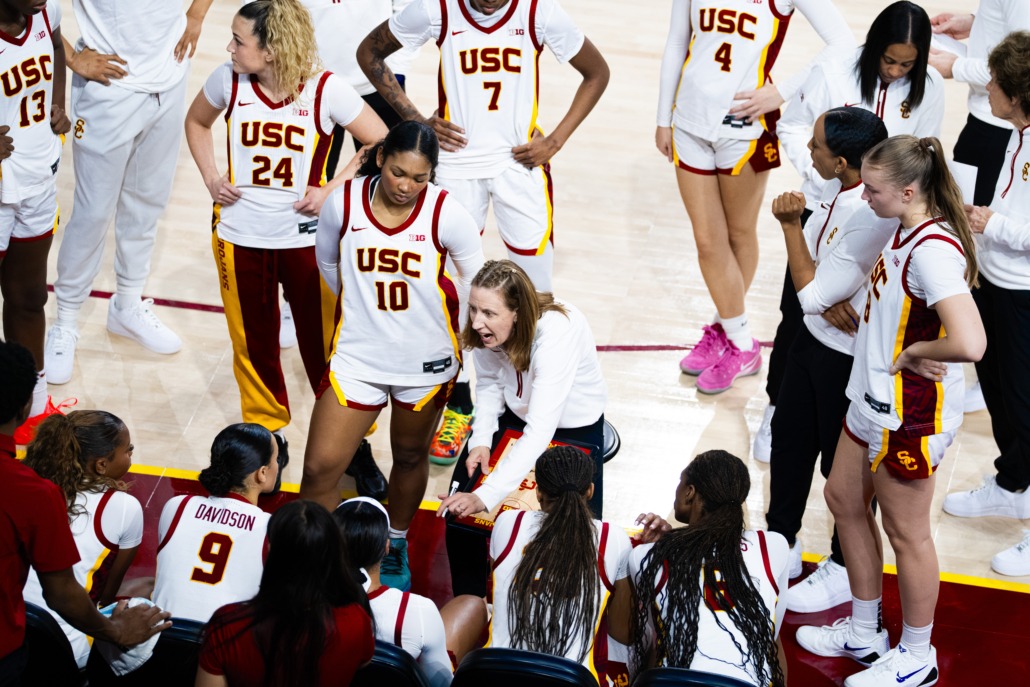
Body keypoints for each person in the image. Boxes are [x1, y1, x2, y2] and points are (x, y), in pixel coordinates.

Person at [357, 0, 611, 465]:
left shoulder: (538, 13)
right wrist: (414, 119)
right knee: (460, 300)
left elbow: (597, 73)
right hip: (456, 167)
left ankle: (536, 404)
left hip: (520, 167)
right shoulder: (438, 10)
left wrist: (554, 140)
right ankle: (461, 405)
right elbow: (369, 53)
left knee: (537, 299)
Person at [796, 136, 986, 687]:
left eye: (874, 190)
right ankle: (863, 631)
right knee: (840, 498)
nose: (866, 197)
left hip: (911, 413)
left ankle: (917, 657)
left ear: (906, 192)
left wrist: (916, 352)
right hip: (871, 398)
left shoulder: (932, 250)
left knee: (908, 534)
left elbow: (971, 341)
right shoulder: (902, 227)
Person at [184, 0, 388, 474]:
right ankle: (268, 444)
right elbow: (197, 122)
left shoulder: (325, 89)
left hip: (308, 242)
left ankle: (354, 446)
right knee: (254, 346)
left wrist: (332, 189)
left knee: (329, 347)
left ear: (271, 51)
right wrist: (212, 177)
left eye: (239, 40)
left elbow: (379, 141)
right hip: (239, 237)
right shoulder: (227, 79)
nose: (229, 47)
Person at [756, 1, 945, 463]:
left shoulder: (931, 88)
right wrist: (825, 177)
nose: (897, 70)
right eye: (889, 60)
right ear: (874, 46)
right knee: (795, 314)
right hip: (819, 208)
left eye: (908, 64)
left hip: (878, 220)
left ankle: (841, 421)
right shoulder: (835, 67)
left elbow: (920, 158)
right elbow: (795, 124)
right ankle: (777, 405)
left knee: (856, 325)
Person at [301, 120, 484, 590]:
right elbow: (327, 263)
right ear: (380, 158)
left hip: (425, 362)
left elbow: (476, 284)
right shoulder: (343, 201)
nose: (406, 186)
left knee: (408, 455)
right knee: (321, 468)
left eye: (420, 178)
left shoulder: (448, 214)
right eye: (399, 172)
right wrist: (366, 312)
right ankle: (320, 561)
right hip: (357, 355)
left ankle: (395, 543)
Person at [661, 0, 853, 394]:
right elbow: (677, 41)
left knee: (738, 234)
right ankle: (742, 342)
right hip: (689, 123)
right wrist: (663, 117)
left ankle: (726, 327)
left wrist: (780, 91)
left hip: (743, 129)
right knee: (706, 241)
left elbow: (843, 41)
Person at [44, 0, 215, 385]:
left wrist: (196, 14)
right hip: (108, 89)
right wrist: (70, 57)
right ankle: (66, 321)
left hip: (169, 79)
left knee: (147, 203)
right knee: (92, 214)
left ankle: (127, 304)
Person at [765, 108, 894, 612]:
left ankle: (843, 564)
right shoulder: (841, 194)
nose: (809, 152)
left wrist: (791, 227)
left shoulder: (871, 212)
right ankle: (781, 542)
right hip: (812, 343)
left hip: (846, 360)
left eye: (816, 146)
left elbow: (812, 292)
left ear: (841, 161)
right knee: (789, 447)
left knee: (843, 474)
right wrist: (820, 290)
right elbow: (820, 287)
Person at [0, 340, 169, 686]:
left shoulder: (35, 480)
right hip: (24, 648)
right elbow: (68, 593)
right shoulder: (31, 492)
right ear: (24, 408)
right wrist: (115, 632)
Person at [439, 260, 607, 597]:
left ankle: (554, 606)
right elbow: (486, 383)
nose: (476, 321)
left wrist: (484, 496)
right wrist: (482, 440)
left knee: (569, 534)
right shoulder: (486, 327)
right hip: (516, 417)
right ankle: (468, 604)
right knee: (460, 522)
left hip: (570, 428)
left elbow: (541, 431)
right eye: (473, 309)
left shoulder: (556, 333)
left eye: (488, 312)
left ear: (517, 312)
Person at [941, 31, 1030, 577]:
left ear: (1017, 94)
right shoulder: (1017, 133)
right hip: (996, 280)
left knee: (1025, 406)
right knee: (996, 389)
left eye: (994, 83)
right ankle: (1014, 483)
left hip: (1025, 293)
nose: (987, 89)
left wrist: (993, 224)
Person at [613, 450, 788, 687]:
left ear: (690, 492)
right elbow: (771, 635)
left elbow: (636, 638)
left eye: (680, 482)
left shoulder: (647, 556)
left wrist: (659, 545)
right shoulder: (774, 547)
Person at [484, 446, 630, 685]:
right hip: (568, 679)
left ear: (538, 492)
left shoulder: (508, 522)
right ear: (591, 491)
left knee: (471, 605)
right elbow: (622, 632)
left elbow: (493, 595)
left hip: (497, 673)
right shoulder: (612, 537)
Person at [196, 500, 374, 687]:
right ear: (334, 554)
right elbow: (363, 661)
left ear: (270, 550)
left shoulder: (227, 626)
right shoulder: (357, 620)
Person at [21, 410, 142, 668]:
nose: (131, 456)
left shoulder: (28, 487)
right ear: (101, 465)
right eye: (128, 450)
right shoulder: (124, 507)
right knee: (145, 598)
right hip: (67, 647)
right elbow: (106, 596)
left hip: (13, 631)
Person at [0, 0, 69, 433]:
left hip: (38, 174)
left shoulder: (45, 11)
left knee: (29, 298)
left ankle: (35, 401)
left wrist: (57, 101)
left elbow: (59, 50)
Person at [334, 497, 488, 685]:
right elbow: (440, 683)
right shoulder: (416, 610)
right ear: (387, 547)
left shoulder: (299, 599)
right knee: (472, 604)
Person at [152, 424, 277, 623]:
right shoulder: (272, 527)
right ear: (262, 473)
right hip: (221, 645)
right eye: (275, 460)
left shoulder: (178, 506)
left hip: (163, 637)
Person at [930, 1, 1030, 206]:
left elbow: (1023, 67)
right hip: (989, 120)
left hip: (999, 127)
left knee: (967, 214)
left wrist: (957, 66)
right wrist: (976, 20)